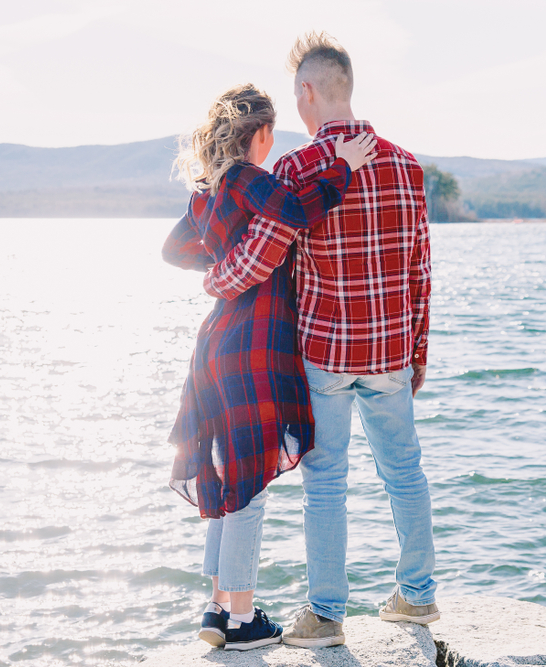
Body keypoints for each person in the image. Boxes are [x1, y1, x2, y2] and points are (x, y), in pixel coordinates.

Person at [203, 33, 438, 649]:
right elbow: (420, 269)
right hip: (389, 350)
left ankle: (327, 616)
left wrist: (215, 282)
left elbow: (267, 257)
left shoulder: (294, 169)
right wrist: (417, 351)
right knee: (405, 473)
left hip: (324, 352)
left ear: (308, 92)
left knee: (325, 484)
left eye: (296, 95)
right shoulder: (407, 164)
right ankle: (417, 597)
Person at [162, 83, 376, 651]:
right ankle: (241, 620)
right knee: (249, 485)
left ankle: (215, 610)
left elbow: (174, 250)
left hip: (214, 343)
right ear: (259, 135)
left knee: (227, 474)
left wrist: (222, 257)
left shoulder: (207, 191)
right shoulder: (248, 179)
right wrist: (341, 168)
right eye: (271, 133)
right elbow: (297, 211)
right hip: (253, 345)